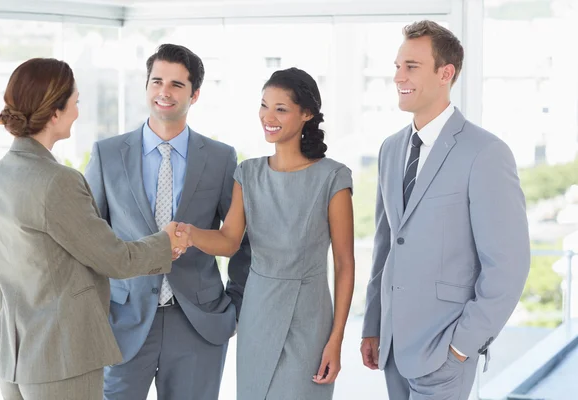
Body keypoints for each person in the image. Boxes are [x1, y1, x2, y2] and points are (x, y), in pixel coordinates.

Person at [0, 58, 188, 400]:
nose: (77, 111)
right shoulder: (57, 182)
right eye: (75, 102)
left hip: (15, 358)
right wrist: (166, 242)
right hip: (62, 359)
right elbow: (113, 258)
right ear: (55, 112)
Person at [360, 20, 531, 399]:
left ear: (446, 73)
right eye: (397, 66)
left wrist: (461, 347)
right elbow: (385, 246)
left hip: (445, 351)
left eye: (411, 67)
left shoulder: (485, 153)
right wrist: (373, 325)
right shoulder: (390, 150)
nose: (398, 76)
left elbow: (508, 266)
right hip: (391, 348)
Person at [84, 44, 251, 400]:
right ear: (146, 86)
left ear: (195, 94)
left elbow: (241, 241)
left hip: (197, 323)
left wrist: (233, 306)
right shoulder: (107, 154)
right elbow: (89, 241)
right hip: (123, 321)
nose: (164, 91)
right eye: (157, 81)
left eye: (177, 84)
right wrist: (95, 312)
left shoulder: (222, 158)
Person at [177, 67, 355, 399]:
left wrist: (336, 339)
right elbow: (229, 240)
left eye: (280, 109)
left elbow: (345, 264)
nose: (268, 117)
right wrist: (189, 233)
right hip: (258, 312)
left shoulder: (333, 178)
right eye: (264, 105)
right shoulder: (248, 172)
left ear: (307, 114)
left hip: (309, 319)